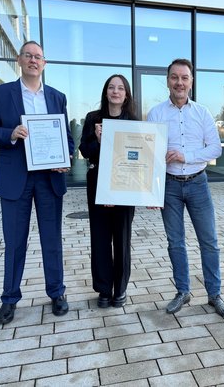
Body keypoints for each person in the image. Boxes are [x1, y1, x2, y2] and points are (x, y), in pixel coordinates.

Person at [0, 40, 74, 325]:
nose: (33, 60)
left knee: (52, 240)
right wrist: (10, 134)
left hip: (49, 178)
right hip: (16, 179)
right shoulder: (0, 94)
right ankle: (9, 298)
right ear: (19, 60)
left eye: (38, 57)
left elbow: (66, 136)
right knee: (14, 242)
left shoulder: (57, 97)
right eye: (28, 56)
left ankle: (56, 293)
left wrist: (66, 156)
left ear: (44, 63)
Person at [147, 58, 224, 317]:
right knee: (175, 242)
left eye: (184, 78)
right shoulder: (156, 113)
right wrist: (150, 191)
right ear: (167, 81)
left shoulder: (202, 113)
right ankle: (182, 292)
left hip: (198, 184)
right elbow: (148, 152)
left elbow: (215, 149)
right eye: (174, 77)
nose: (179, 82)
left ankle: (214, 294)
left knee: (210, 241)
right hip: (169, 186)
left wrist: (186, 155)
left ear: (191, 82)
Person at [79, 74, 137, 308]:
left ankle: (120, 288)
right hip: (97, 182)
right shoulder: (93, 118)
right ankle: (104, 289)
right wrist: (98, 141)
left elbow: (138, 155)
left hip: (125, 184)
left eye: (120, 88)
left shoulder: (133, 121)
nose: (115, 91)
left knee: (122, 238)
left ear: (126, 94)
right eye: (111, 87)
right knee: (100, 237)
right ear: (106, 92)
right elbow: (84, 150)